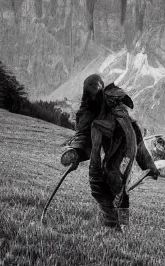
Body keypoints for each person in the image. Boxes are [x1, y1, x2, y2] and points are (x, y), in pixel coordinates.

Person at [60, 74, 159, 231]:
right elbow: (85, 136)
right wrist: (76, 154)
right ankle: (118, 225)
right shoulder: (95, 110)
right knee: (109, 189)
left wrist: (149, 164)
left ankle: (115, 226)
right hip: (113, 154)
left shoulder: (113, 110)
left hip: (120, 153)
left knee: (108, 186)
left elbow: (135, 137)